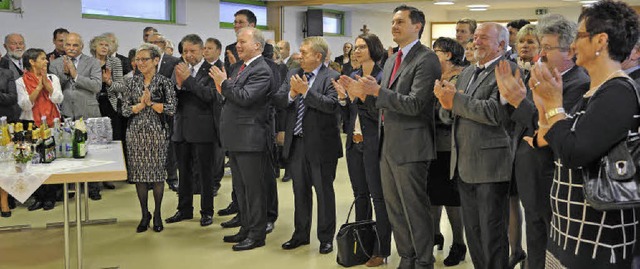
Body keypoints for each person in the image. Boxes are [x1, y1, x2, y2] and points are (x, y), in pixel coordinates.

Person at [527, 1, 639, 267]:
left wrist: (554, 103)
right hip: (571, 228)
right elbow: (555, 137)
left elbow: (574, 153)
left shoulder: (618, 92)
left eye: (579, 36)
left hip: (598, 236)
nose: (573, 45)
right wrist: (543, 105)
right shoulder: (594, 91)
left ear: (601, 40)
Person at [344, 5, 441, 268]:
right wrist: (362, 94)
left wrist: (376, 93)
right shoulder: (391, 59)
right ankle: (406, 256)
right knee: (395, 208)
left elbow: (416, 104)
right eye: (393, 22)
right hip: (387, 145)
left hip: (412, 145)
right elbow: (383, 103)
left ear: (417, 26)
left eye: (400, 22)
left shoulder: (426, 59)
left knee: (414, 208)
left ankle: (423, 259)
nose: (394, 26)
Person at [495, 14, 589, 269]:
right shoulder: (542, 74)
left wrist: (518, 101)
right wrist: (509, 98)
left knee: (549, 237)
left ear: (570, 50)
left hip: (550, 171)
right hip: (529, 167)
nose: (541, 53)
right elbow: (524, 120)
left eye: (547, 47)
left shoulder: (578, 82)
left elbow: (550, 125)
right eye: (542, 46)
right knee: (535, 233)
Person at [433, 22, 516, 269]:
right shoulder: (468, 72)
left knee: (492, 234)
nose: (475, 42)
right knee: (474, 233)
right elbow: (452, 114)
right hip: (463, 164)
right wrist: (445, 104)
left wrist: (454, 100)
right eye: (475, 37)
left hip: (490, 166)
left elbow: (495, 113)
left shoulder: (507, 70)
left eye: (483, 38)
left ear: (501, 44)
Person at [273, 36, 341, 255]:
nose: (299, 56)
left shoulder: (333, 76)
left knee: (324, 192)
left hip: (322, 145)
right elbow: (279, 99)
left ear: (318, 56)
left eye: (304, 53)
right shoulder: (294, 74)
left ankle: (325, 238)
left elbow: (331, 106)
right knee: (299, 191)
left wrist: (306, 92)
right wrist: (293, 93)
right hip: (297, 143)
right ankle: (300, 234)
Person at [209, 27, 273, 251]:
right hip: (236, 137)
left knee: (253, 190)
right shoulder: (241, 67)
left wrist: (223, 84)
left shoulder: (261, 70)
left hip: (250, 139)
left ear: (257, 45)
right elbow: (231, 96)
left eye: (242, 41)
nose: (238, 45)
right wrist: (223, 86)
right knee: (241, 188)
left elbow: (245, 98)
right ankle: (245, 227)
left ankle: (257, 234)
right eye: (237, 41)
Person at [333, 33, 391, 267]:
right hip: (355, 143)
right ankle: (363, 244)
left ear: (374, 49)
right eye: (355, 47)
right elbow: (350, 116)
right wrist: (344, 99)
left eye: (362, 47)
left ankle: (381, 249)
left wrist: (361, 96)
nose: (356, 51)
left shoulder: (382, 76)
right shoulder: (354, 76)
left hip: (375, 143)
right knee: (360, 196)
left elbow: (381, 113)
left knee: (378, 198)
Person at [165, 34, 220, 228]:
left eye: (192, 51)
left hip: (203, 129)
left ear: (202, 50)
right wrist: (178, 84)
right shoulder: (179, 68)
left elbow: (209, 96)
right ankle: (184, 209)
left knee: (205, 173)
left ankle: (207, 211)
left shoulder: (213, 70)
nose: (188, 55)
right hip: (181, 128)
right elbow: (171, 96)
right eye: (185, 51)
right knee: (184, 172)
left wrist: (188, 80)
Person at [121, 43, 175, 233]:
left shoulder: (164, 82)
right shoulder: (131, 83)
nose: (141, 63)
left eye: (145, 59)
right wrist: (140, 106)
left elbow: (171, 108)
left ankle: (158, 213)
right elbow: (125, 110)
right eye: (138, 60)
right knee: (139, 177)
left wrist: (151, 102)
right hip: (135, 133)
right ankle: (145, 214)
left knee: (158, 175)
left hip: (157, 133)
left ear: (155, 60)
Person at [429, 37, 468, 267]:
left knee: (452, 199)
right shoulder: (435, 76)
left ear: (449, 55)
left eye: (437, 51)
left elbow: (452, 112)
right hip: (430, 144)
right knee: (432, 195)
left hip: (450, 146)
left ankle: (459, 244)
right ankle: (435, 235)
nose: (432, 55)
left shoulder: (461, 77)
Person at [505, 22, 540, 268]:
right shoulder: (510, 69)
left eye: (531, 42)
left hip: (533, 144)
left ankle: (535, 255)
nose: (525, 46)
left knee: (532, 204)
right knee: (511, 199)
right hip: (509, 143)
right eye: (522, 42)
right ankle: (515, 250)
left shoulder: (542, 70)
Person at [15, 48, 63, 211]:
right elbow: (25, 104)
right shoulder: (20, 82)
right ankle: (38, 197)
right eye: (42, 59)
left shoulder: (52, 77)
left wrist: (46, 85)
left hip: (51, 123)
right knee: (32, 162)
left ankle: (51, 197)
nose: (46, 61)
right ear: (32, 62)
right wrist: (37, 88)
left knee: (49, 160)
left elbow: (58, 98)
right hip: (30, 124)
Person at [147, 32, 180, 191]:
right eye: (150, 42)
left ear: (163, 44)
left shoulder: (174, 61)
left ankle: (172, 177)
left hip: (167, 109)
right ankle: (152, 178)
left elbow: (176, 87)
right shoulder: (143, 61)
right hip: (148, 109)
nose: (153, 45)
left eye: (157, 42)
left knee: (170, 146)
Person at [49, 33, 102, 120]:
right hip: (65, 113)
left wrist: (76, 76)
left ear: (82, 46)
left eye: (75, 45)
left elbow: (96, 87)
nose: (71, 48)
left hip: (89, 112)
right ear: (64, 46)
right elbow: (54, 90)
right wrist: (65, 75)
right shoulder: (55, 64)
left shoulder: (93, 62)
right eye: (68, 45)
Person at [0, 63, 18, 218]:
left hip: (4, 124)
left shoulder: (6, 74)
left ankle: (4, 200)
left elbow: (12, 98)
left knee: (5, 164)